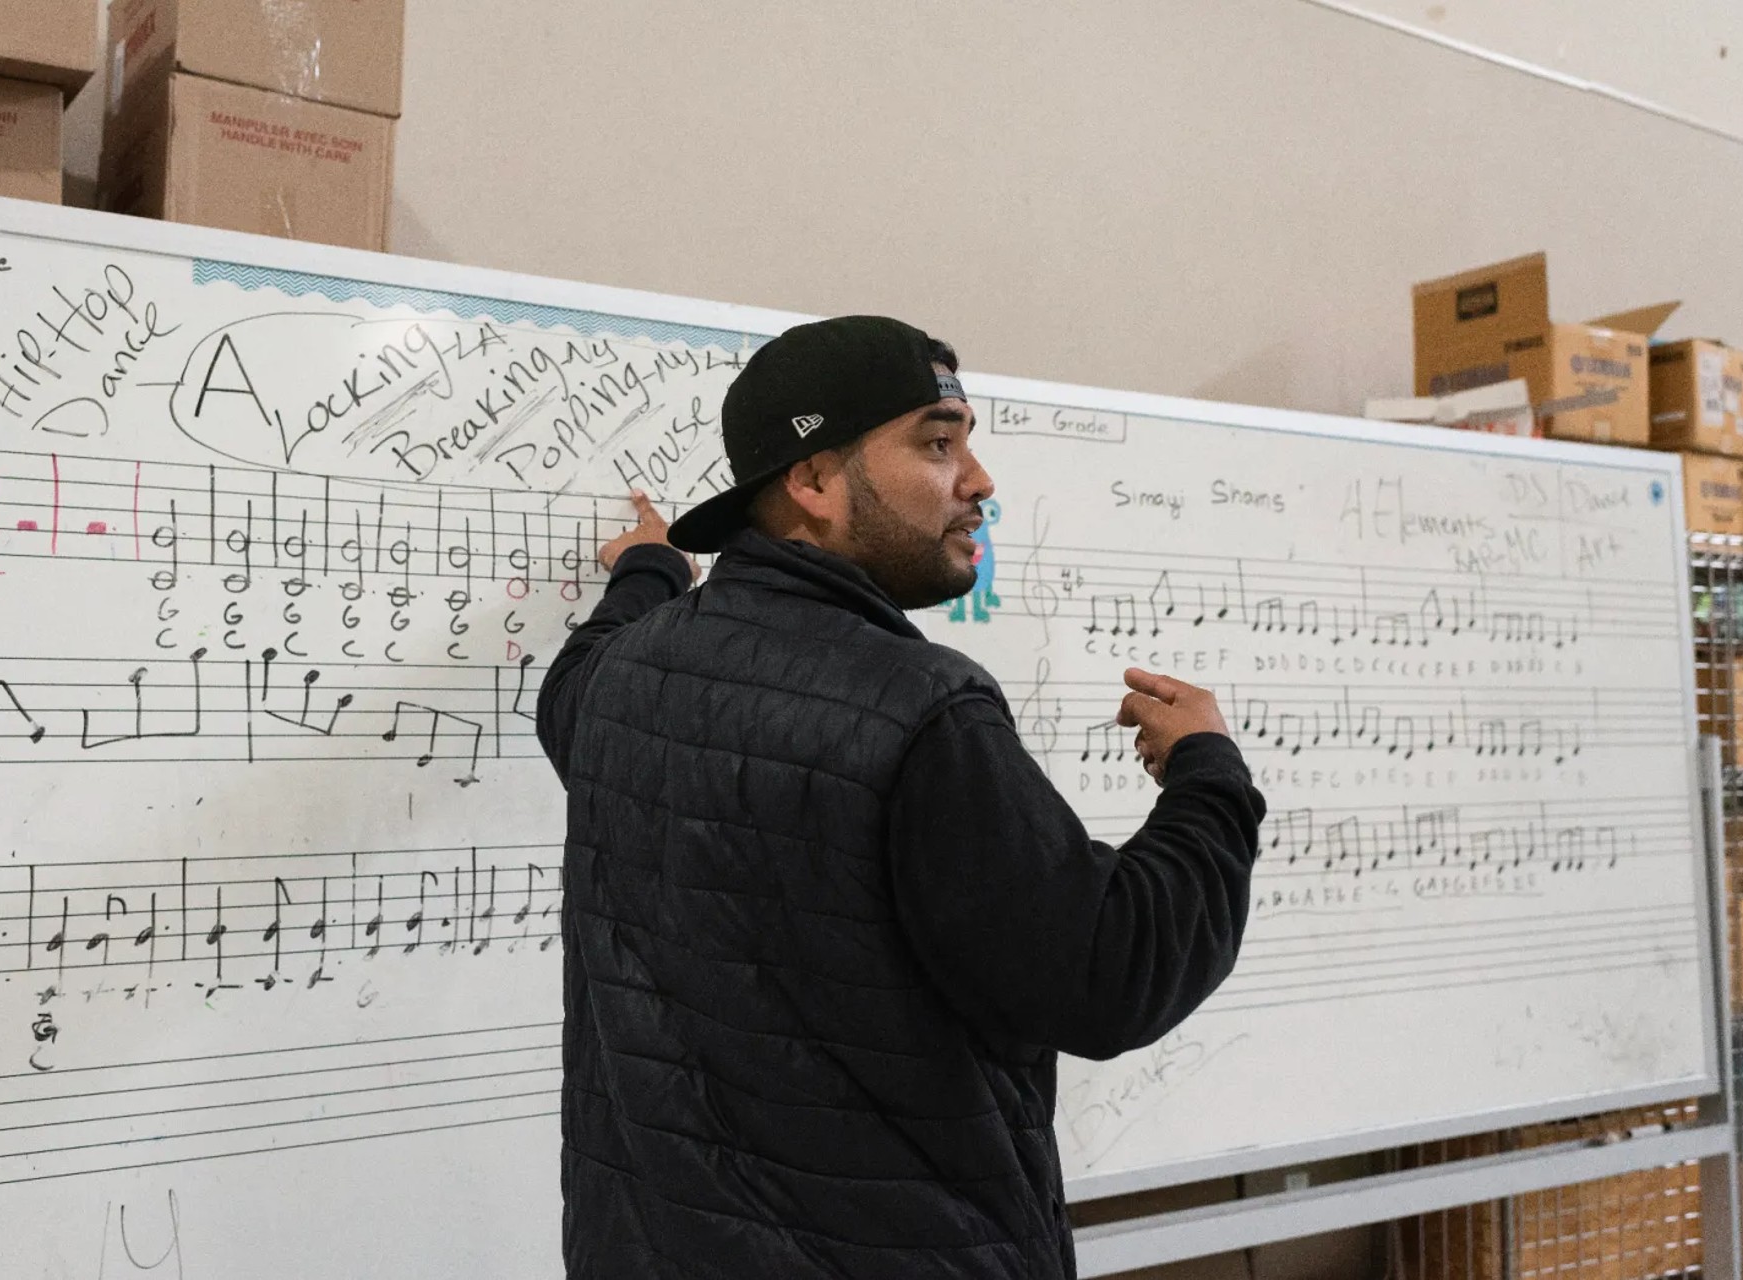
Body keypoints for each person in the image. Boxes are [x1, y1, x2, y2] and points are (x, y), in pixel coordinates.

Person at [536, 315, 1265, 1279]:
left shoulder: (621, 680)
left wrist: (651, 569)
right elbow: (1111, 978)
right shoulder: (922, 712)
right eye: (938, 442)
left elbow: (569, 683)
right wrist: (1209, 775)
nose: (980, 480)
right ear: (814, 481)